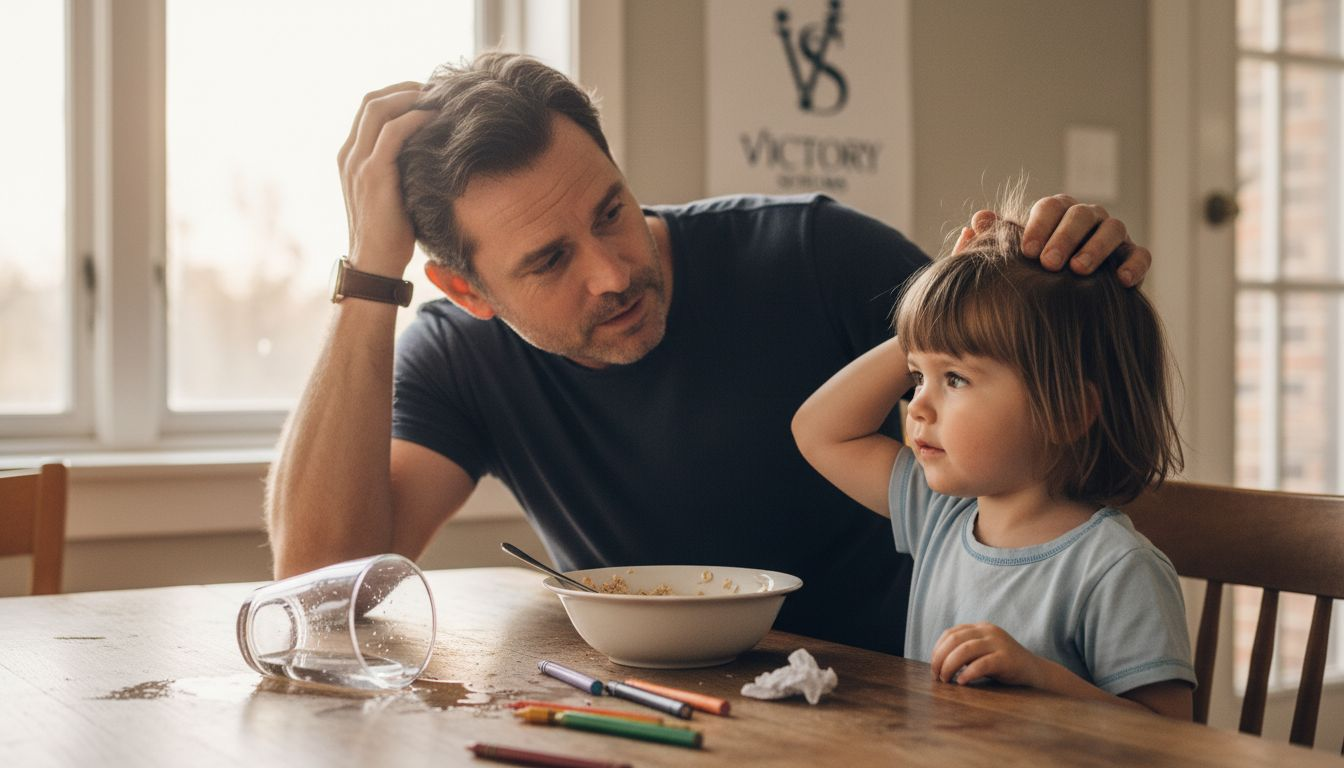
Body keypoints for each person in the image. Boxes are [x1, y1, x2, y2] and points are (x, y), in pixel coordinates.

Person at [266, 52, 1154, 655]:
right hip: (663, 724)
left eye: (610, 209)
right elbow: (319, 583)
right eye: (549, 260)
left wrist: (1081, 269)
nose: (615, 272)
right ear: (468, 293)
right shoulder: (458, 356)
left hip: (916, 711)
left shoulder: (817, 253)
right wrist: (372, 277)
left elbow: (1056, 403)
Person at [790, 191, 1195, 715]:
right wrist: (935, 319)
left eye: (954, 378)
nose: (916, 406)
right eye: (917, 377)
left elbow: (1171, 739)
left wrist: (1041, 678)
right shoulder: (940, 515)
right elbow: (818, 430)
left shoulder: (1116, 569)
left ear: (1068, 410)